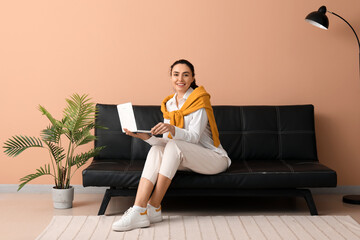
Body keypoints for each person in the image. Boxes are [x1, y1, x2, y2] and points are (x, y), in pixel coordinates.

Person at [112, 59, 231, 232]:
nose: (180, 79)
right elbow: (167, 143)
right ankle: (139, 209)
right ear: (170, 77)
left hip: (212, 158)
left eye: (185, 74)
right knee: (156, 149)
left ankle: (153, 205)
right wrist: (145, 137)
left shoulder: (199, 101)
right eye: (176, 74)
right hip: (186, 157)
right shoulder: (169, 104)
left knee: (175, 145)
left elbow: (194, 137)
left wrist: (172, 128)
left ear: (192, 78)